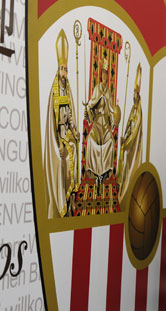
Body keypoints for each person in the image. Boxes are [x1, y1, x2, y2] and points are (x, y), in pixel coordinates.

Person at [44, 28, 80, 218]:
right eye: (62, 69)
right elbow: (53, 122)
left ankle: (72, 196)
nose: (64, 72)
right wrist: (58, 142)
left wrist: (74, 129)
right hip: (57, 136)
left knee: (75, 147)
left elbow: (71, 115)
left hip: (67, 133)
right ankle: (61, 201)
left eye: (66, 69)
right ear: (58, 70)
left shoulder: (68, 89)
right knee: (63, 157)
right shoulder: (55, 91)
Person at [84, 58, 120, 183]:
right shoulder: (97, 89)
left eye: (106, 74)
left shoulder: (109, 91)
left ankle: (104, 172)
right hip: (97, 123)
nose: (104, 76)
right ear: (101, 75)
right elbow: (91, 104)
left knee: (110, 142)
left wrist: (115, 119)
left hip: (105, 124)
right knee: (90, 140)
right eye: (103, 73)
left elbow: (111, 109)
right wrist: (88, 110)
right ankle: (94, 170)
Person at [117, 63, 144, 201]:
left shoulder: (138, 112)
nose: (134, 97)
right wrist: (124, 138)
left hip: (132, 148)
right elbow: (129, 127)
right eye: (133, 95)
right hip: (127, 145)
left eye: (135, 95)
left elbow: (134, 132)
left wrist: (126, 142)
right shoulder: (133, 109)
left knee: (129, 172)